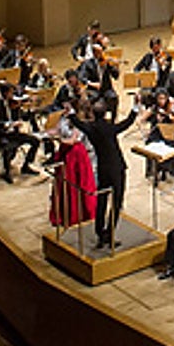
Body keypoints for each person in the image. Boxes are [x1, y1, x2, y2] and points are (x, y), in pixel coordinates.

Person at [69, 98, 137, 246]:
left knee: (102, 201)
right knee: (117, 202)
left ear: (93, 113)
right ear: (105, 113)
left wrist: (72, 113)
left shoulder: (91, 128)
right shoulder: (110, 128)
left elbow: (78, 123)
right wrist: (135, 108)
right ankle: (110, 233)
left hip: (103, 168)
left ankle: (100, 233)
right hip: (117, 168)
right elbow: (127, 123)